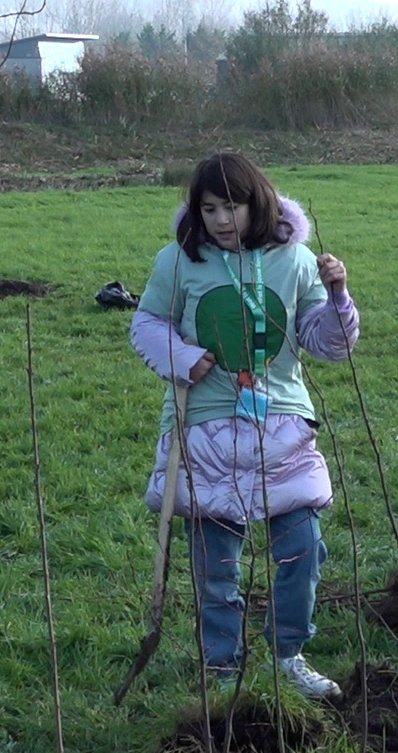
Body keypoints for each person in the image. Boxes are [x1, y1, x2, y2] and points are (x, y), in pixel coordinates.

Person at [131, 152, 360, 698]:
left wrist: (338, 296)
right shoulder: (179, 261)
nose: (220, 219)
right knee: (215, 565)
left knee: (303, 548)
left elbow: (327, 344)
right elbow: (147, 321)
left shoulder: (296, 261)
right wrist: (184, 357)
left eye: (231, 205)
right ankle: (222, 669)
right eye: (209, 208)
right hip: (202, 432)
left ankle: (288, 654)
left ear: (257, 202)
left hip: (281, 429)